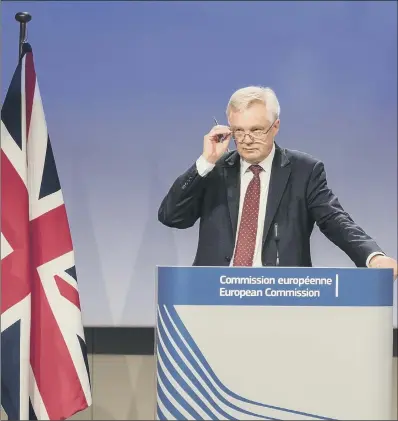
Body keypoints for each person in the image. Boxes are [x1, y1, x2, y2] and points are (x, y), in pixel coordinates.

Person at [158, 86, 397, 276]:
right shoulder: (214, 169)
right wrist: (206, 161)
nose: (247, 139)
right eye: (238, 131)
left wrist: (372, 256)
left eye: (257, 130)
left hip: (282, 295)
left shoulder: (304, 171)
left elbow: (334, 220)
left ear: (276, 127)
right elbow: (172, 217)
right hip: (214, 294)